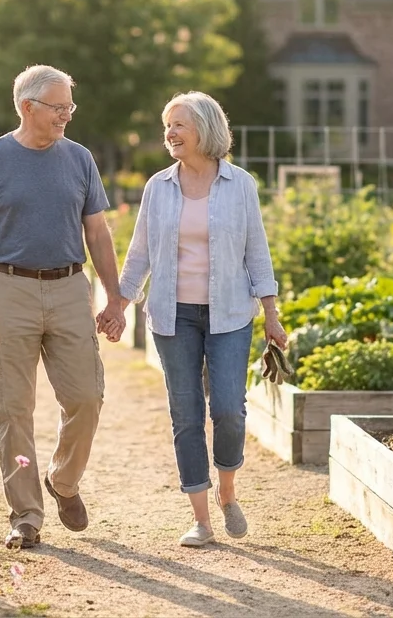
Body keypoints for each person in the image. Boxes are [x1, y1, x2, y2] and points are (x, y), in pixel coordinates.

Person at [0, 64, 127, 550]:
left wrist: (115, 297)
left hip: (70, 286)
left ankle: (63, 481)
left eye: (70, 106)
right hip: (9, 289)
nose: (67, 115)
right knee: (14, 407)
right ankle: (26, 515)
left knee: (87, 397)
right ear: (28, 107)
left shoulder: (80, 159)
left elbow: (97, 232)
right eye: (59, 106)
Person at [116, 91, 287, 547]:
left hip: (230, 314)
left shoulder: (241, 185)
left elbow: (258, 253)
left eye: (179, 125)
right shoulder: (158, 187)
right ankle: (201, 519)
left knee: (229, 410)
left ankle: (228, 493)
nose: (169, 133)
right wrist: (118, 303)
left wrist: (272, 314)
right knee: (186, 414)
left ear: (205, 130)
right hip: (173, 316)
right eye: (166, 125)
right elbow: (140, 253)